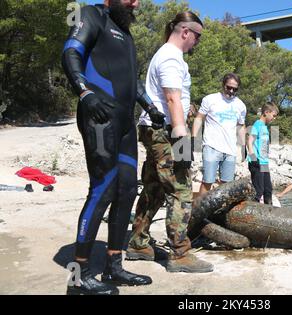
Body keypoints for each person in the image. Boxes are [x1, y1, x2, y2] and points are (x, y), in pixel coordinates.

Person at [62, 0, 155, 295]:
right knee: (102, 188)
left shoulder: (125, 32)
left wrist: (151, 107)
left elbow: (131, 79)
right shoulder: (92, 15)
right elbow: (71, 51)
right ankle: (78, 276)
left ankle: (113, 266)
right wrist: (84, 91)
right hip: (99, 116)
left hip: (126, 123)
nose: (135, 3)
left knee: (127, 189)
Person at [126, 12, 213, 273]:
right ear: (185, 31)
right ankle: (180, 253)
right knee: (181, 189)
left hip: (156, 130)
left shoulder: (165, 54)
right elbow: (173, 99)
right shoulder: (171, 57)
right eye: (197, 36)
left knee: (154, 187)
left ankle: (138, 243)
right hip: (169, 131)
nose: (197, 41)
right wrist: (183, 137)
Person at [192, 73, 247, 196]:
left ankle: (220, 213)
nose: (231, 91)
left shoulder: (241, 106)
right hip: (211, 146)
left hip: (230, 150)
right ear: (223, 85)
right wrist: (193, 138)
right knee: (207, 182)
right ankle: (198, 213)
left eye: (235, 89)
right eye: (229, 87)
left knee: (226, 185)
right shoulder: (210, 99)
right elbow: (199, 118)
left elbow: (241, 126)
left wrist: (244, 147)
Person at [247, 102, 278, 205]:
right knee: (258, 190)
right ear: (266, 112)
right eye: (273, 116)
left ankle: (268, 211)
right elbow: (249, 141)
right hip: (257, 161)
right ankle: (251, 211)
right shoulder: (258, 124)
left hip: (264, 162)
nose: (274, 118)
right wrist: (253, 158)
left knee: (268, 189)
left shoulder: (264, 127)